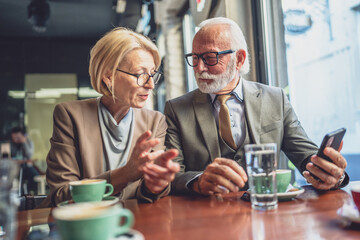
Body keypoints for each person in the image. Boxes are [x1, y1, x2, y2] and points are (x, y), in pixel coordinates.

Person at [164, 17, 348, 196]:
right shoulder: (176, 109)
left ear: (239, 59)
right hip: (208, 215)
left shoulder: (276, 99)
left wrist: (331, 175)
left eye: (210, 57)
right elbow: (171, 175)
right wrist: (198, 181)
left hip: (267, 209)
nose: (199, 68)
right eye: (195, 58)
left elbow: (307, 157)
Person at [42, 27, 180, 207]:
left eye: (152, 74)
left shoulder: (155, 121)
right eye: (141, 75)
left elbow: (149, 194)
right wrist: (125, 174)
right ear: (109, 77)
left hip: (136, 225)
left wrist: (155, 186)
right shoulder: (69, 116)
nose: (151, 85)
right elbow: (61, 196)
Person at [10, 126, 40, 194]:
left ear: (23, 136)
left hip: (26, 167)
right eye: (13, 138)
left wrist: (24, 142)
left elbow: (29, 155)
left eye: (17, 138)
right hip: (14, 168)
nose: (15, 140)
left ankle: (30, 192)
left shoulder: (29, 142)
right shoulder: (11, 144)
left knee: (35, 175)